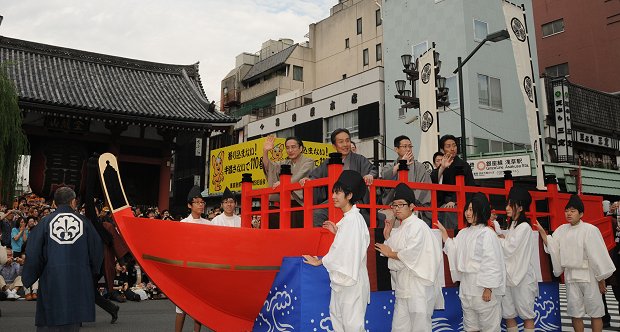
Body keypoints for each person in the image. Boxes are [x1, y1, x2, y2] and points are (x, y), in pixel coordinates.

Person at [22, 186, 103, 331]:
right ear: (73, 202)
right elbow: (97, 251)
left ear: (54, 203)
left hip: (51, 279)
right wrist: (89, 273)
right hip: (77, 280)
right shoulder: (84, 223)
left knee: (49, 320)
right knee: (71, 322)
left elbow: (33, 254)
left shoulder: (45, 223)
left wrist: (29, 277)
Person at [535, 194, 616, 332]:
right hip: (570, 275)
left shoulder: (590, 230)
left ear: (581, 213)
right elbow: (553, 248)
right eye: (567, 211)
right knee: (574, 313)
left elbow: (598, 256)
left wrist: (601, 279)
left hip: (589, 274)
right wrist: (543, 233)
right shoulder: (561, 230)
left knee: (595, 312)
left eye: (572, 211)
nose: (569, 214)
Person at [303, 170, 370, 332]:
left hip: (350, 280)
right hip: (343, 279)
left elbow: (344, 250)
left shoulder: (353, 220)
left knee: (352, 325)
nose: (333, 196)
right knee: (339, 320)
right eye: (333, 192)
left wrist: (320, 261)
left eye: (338, 192)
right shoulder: (349, 219)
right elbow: (346, 244)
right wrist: (337, 232)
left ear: (349, 195)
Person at [375, 183, 444, 331]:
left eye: (401, 205)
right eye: (394, 205)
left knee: (420, 327)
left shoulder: (417, 226)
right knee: (399, 327)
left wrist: (390, 253)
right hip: (404, 287)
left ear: (412, 206)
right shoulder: (402, 228)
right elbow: (394, 249)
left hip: (418, 287)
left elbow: (410, 254)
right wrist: (387, 236)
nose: (397, 208)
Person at [436, 192, 506, 332]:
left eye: (472, 210)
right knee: (470, 326)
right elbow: (454, 250)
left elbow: (492, 262)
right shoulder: (463, 233)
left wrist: (488, 287)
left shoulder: (487, 234)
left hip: (482, 287)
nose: (468, 213)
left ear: (481, 212)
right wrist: (445, 235)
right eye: (467, 209)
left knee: (489, 327)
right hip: (467, 287)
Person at [300, 128, 377, 226]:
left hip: (354, 200)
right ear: (334, 145)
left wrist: (370, 175)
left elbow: (373, 170)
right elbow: (315, 176)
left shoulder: (359, 159)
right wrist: (309, 180)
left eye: (347, 140)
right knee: (316, 215)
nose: (345, 144)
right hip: (334, 200)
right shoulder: (328, 162)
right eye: (341, 142)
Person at [497, 186, 538, 332]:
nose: (507, 208)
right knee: (508, 314)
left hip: (522, 278)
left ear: (520, 207)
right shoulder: (514, 225)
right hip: (509, 276)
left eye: (510, 205)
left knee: (527, 315)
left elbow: (509, 249)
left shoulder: (524, 227)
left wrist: (498, 239)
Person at [262, 135, 315, 227]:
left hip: (302, 203)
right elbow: (270, 168)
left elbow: (299, 176)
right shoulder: (285, 163)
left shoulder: (308, 161)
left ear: (301, 148)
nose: (290, 150)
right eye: (287, 148)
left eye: (293, 147)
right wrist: (265, 152)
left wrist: (283, 183)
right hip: (285, 202)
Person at [176, 185, 209, 332]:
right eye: (197, 202)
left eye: (202, 202)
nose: (201, 205)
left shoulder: (208, 224)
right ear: (189, 205)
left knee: (199, 308)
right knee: (180, 307)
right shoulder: (183, 224)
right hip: (186, 269)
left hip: (202, 269)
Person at [381, 135, 432, 226]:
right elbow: (385, 178)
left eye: (410, 146)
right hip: (394, 206)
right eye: (405, 146)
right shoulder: (390, 166)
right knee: (385, 217)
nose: (408, 149)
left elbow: (425, 187)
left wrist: (409, 203)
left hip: (414, 205)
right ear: (396, 149)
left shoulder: (420, 167)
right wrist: (400, 165)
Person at [430, 134, 476, 229]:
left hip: (459, 201)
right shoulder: (442, 164)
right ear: (442, 150)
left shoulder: (463, 165)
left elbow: (469, 185)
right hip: (443, 202)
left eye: (454, 145)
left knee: (449, 211)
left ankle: (451, 236)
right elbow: (433, 180)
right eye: (448, 146)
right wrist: (442, 168)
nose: (452, 148)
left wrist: (454, 201)